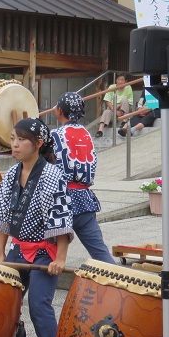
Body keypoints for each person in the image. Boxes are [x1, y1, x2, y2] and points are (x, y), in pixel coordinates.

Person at [0, 118, 75, 337]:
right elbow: (1, 215)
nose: (14, 144)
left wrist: (60, 258)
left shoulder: (52, 175)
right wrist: (0, 253)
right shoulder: (12, 174)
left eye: (21, 139)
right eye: (12, 138)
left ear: (37, 144)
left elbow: (60, 217)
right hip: (17, 249)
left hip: (44, 252)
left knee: (39, 306)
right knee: (2, 300)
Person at [51, 92, 115, 264]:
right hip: (85, 200)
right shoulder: (87, 134)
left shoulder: (56, 135)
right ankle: (121, 284)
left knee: (49, 254)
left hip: (61, 201)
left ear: (59, 111)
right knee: (101, 253)